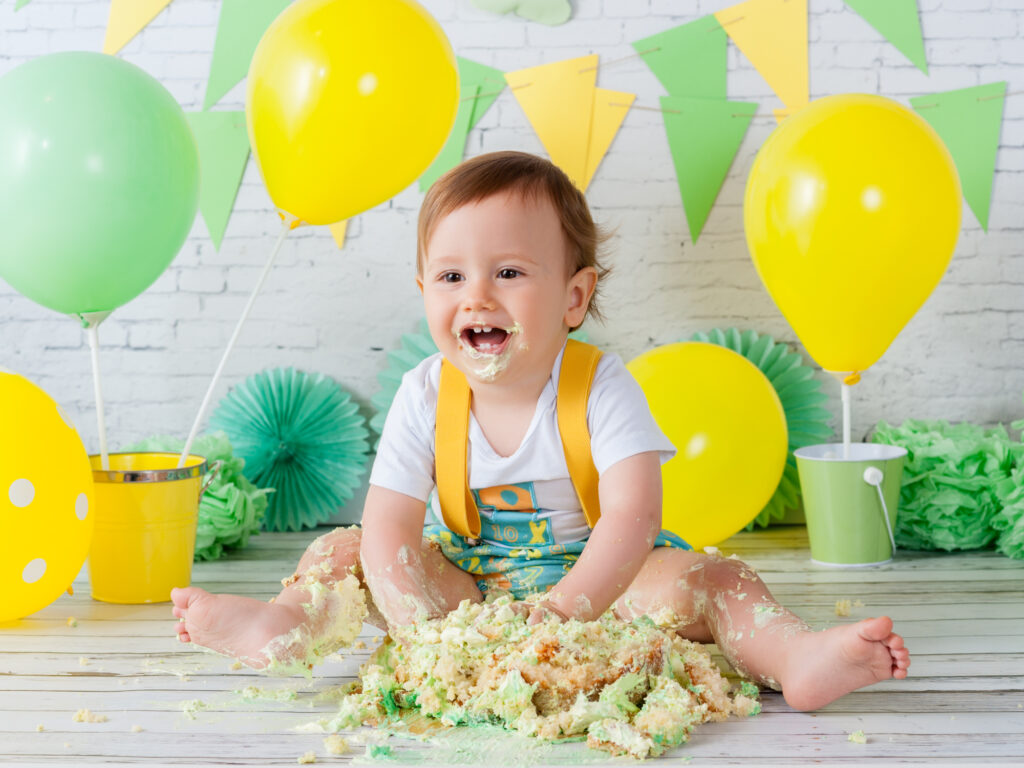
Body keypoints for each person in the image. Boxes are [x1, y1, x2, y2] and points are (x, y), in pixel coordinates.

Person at [171, 151, 910, 711]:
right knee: (344, 548)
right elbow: (389, 522)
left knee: (714, 579)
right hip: (466, 588)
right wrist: (425, 634)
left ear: (574, 297)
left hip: (602, 585)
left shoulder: (601, 386)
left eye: (510, 273)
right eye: (451, 277)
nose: (478, 296)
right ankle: (283, 627)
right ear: (425, 291)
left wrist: (563, 611)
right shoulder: (425, 392)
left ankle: (793, 656)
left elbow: (632, 516)